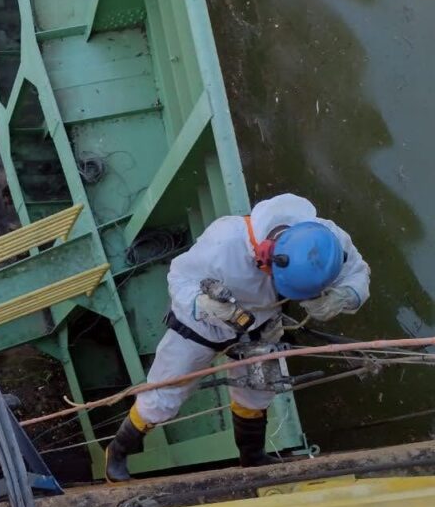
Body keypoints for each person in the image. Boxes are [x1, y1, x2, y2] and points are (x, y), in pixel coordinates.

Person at [105, 193, 371, 482]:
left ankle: (252, 457)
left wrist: (345, 297)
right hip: (202, 326)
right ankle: (118, 451)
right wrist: (201, 304)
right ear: (266, 256)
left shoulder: (328, 240)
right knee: (164, 393)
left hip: (260, 328)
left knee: (259, 392)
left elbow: (358, 273)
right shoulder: (225, 242)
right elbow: (179, 278)